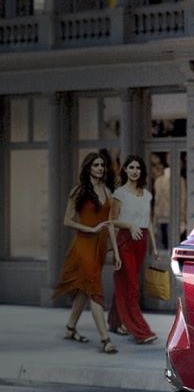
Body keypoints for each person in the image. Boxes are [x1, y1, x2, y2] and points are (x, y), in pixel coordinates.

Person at [54, 152, 121, 354]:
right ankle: (105, 340)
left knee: (85, 289)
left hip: (99, 247)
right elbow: (67, 220)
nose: (100, 168)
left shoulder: (108, 191)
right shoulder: (79, 191)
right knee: (95, 290)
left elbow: (110, 223)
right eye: (95, 165)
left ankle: (70, 328)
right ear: (88, 168)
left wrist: (115, 250)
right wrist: (89, 229)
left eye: (102, 165)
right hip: (83, 245)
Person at [108, 155, 160, 344]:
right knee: (132, 286)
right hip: (125, 241)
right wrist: (129, 226)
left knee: (125, 282)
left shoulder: (147, 195)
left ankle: (114, 322)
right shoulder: (119, 194)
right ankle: (140, 331)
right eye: (131, 167)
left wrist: (154, 247)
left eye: (138, 168)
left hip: (142, 242)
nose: (135, 171)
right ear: (125, 170)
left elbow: (149, 222)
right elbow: (111, 221)